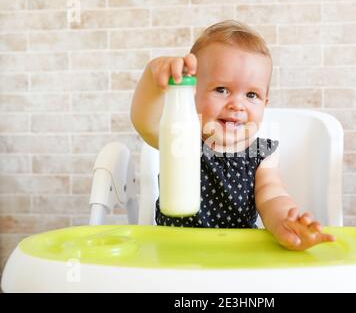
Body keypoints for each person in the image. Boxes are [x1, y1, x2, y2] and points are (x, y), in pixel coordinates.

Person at [131, 20, 335, 251]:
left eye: (251, 94)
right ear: (191, 93)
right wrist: (152, 73)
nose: (237, 104)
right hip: (176, 252)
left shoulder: (261, 154)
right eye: (221, 90)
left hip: (239, 257)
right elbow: (144, 121)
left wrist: (285, 223)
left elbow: (272, 197)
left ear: (265, 104)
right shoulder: (181, 138)